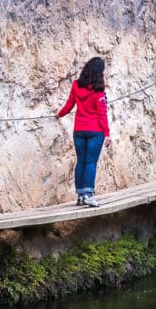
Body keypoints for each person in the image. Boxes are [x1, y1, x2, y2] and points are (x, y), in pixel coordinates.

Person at [56, 56, 109, 208]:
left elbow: (69, 105)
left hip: (79, 130)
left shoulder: (76, 86)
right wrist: (107, 133)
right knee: (91, 162)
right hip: (95, 131)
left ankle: (80, 196)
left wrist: (59, 114)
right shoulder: (99, 91)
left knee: (81, 162)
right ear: (100, 73)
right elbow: (102, 114)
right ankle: (89, 195)